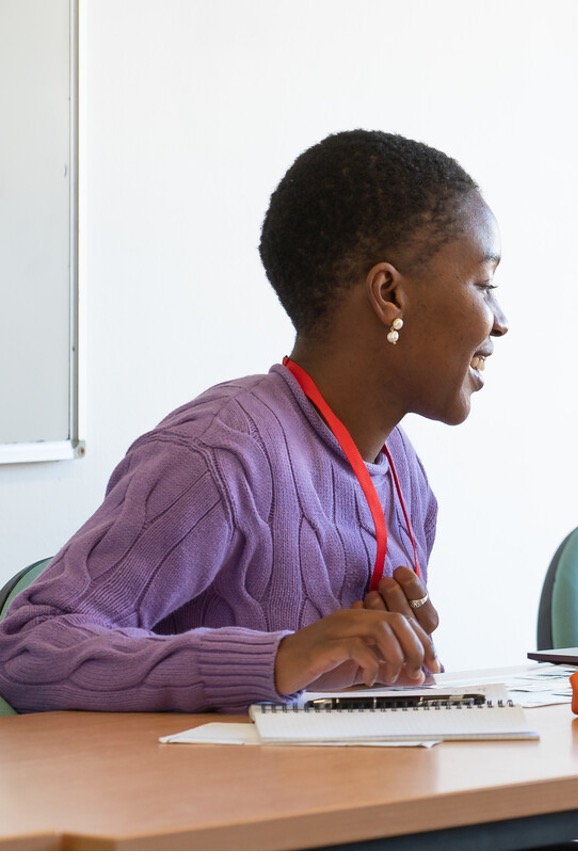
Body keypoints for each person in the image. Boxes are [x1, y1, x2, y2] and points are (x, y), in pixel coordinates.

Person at [0, 129, 508, 713]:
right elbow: (29, 648)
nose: (500, 321)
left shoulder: (401, 470)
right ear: (389, 294)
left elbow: (310, 707)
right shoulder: (217, 455)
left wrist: (354, 667)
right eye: (486, 285)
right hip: (202, 803)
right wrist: (279, 659)